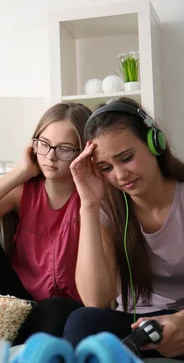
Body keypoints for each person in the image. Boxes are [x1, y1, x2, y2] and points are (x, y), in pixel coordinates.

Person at [0, 102, 92, 344]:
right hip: (18, 304)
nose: (50, 157)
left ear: (83, 152)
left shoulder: (93, 198)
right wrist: (19, 172)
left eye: (64, 149)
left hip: (63, 311)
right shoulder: (24, 191)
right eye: (44, 144)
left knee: (56, 308)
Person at [63, 98, 184, 360]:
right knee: (83, 321)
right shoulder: (108, 209)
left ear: (155, 143)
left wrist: (180, 322)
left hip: (181, 322)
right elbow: (96, 301)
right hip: (134, 325)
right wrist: (89, 205)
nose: (120, 175)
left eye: (126, 158)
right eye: (106, 168)